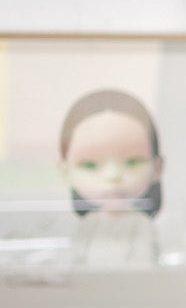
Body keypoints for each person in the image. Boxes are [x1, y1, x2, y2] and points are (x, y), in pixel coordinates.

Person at [58, 89, 164, 268]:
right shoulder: (89, 224)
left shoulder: (144, 226)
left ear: (157, 167)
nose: (113, 175)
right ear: (65, 171)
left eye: (132, 162)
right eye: (90, 165)